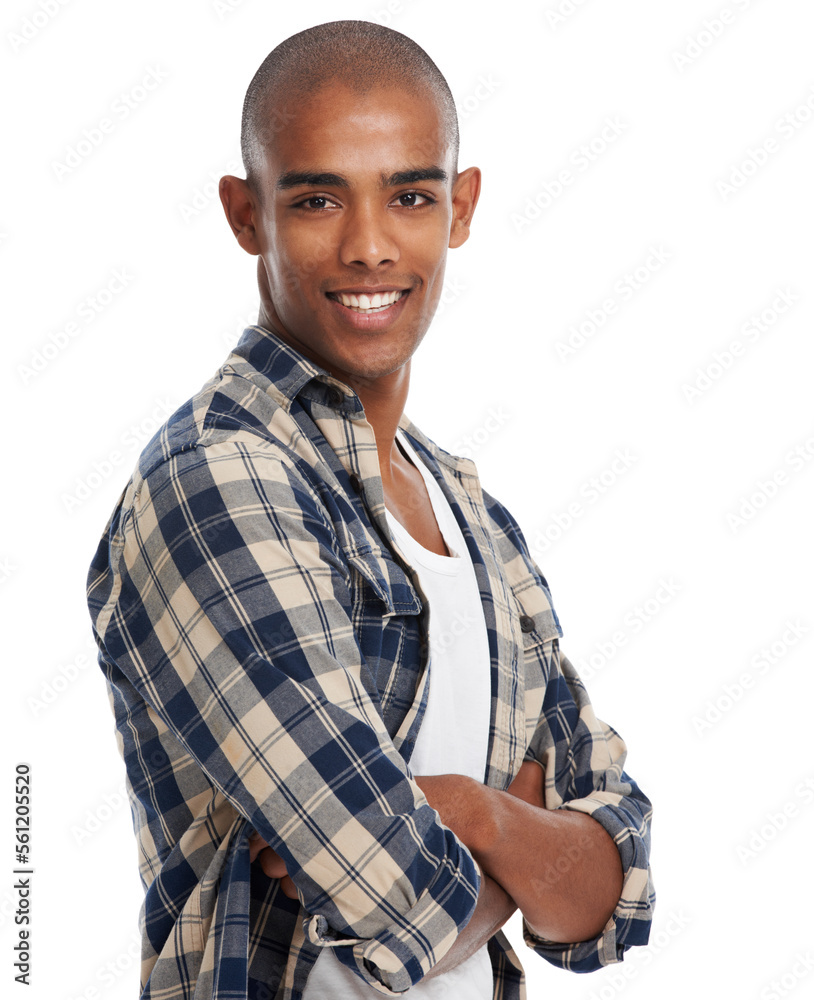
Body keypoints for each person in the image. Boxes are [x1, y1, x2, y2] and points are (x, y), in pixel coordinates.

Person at [86, 19, 654, 1000]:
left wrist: (477, 815)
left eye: (408, 195)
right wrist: (523, 849)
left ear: (459, 207)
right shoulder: (219, 480)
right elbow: (400, 908)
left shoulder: (472, 514)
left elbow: (616, 894)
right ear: (245, 214)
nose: (367, 247)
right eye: (314, 199)